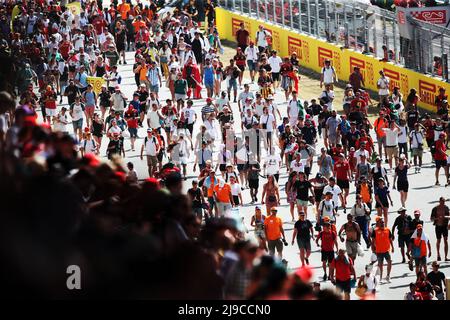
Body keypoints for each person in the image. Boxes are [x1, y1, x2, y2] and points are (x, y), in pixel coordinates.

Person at [371, 217, 394, 283]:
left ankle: (388, 276)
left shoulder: (387, 230)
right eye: (381, 223)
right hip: (379, 251)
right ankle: (380, 278)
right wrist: (373, 248)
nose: (382, 224)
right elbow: (373, 241)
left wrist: (392, 247)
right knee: (380, 265)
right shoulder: (375, 231)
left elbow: (390, 239)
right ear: (378, 224)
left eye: (383, 223)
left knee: (389, 262)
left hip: (386, 250)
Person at [430, 197, 450, 261]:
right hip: (438, 226)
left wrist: (445, 217)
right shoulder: (435, 208)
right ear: (439, 201)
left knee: (445, 240)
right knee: (438, 240)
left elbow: (449, 216)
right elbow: (431, 218)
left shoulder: (446, 208)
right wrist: (437, 218)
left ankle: (446, 257)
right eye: (442, 201)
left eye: (444, 201)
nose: (443, 202)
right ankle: (438, 255)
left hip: (444, 226)